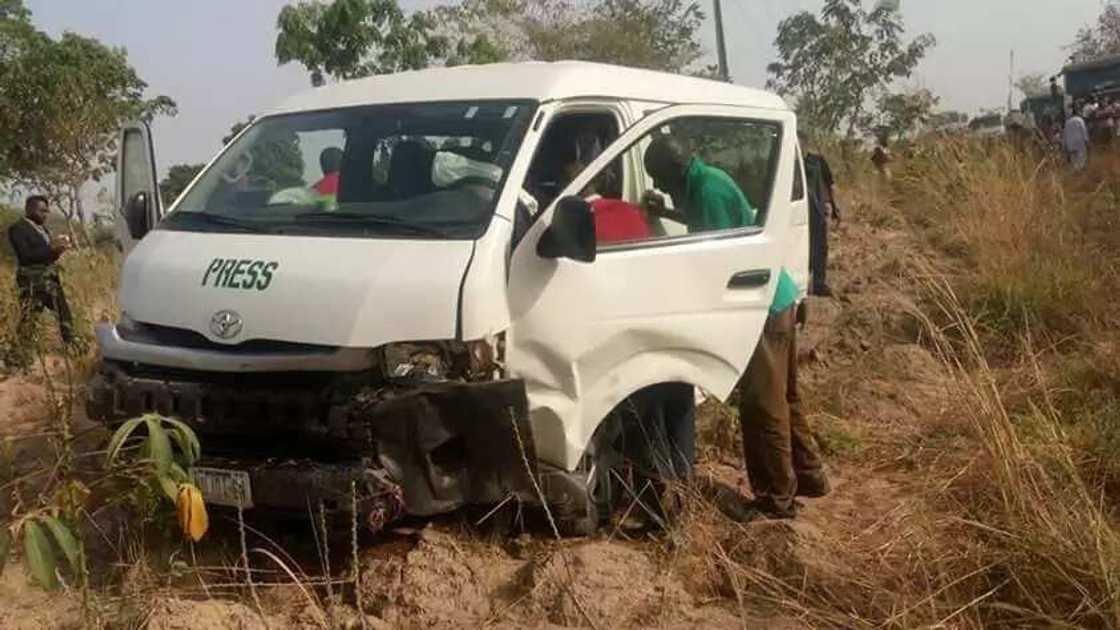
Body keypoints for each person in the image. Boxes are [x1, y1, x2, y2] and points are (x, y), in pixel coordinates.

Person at [636, 135, 755, 485]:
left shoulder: (708, 191)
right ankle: (808, 479)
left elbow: (713, 259)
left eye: (659, 177)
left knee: (762, 409)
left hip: (757, 303)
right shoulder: (703, 184)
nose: (657, 185)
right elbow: (699, 221)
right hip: (754, 299)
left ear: (675, 170)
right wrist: (667, 212)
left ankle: (777, 501)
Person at [7, 196, 75, 366]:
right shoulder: (17, 229)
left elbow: (46, 254)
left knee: (64, 314)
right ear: (29, 209)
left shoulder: (42, 229)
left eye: (47, 210)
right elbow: (26, 256)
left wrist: (58, 250)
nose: (46, 214)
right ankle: (17, 358)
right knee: (29, 319)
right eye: (42, 210)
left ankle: (74, 349)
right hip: (31, 282)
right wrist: (53, 250)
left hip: (50, 279)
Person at [800, 131, 841, 297]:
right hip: (804, 211)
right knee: (809, 247)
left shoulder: (816, 161)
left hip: (813, 211)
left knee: (817, 247)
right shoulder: (792, 161)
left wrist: (834, 206)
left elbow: (830, 185)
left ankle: (816, 283)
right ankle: (809, 282)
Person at [1063, 106, 1091, 171]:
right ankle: (1080, 174)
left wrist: (1065, 145)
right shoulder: (1080, 120)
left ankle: (1075, 174)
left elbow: (1065, 135)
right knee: (1081, 161)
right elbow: (1084, 131)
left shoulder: (1067, 122)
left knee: (1074, 162)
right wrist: (1087, 141)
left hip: (1070, 145)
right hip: (1080, 143)